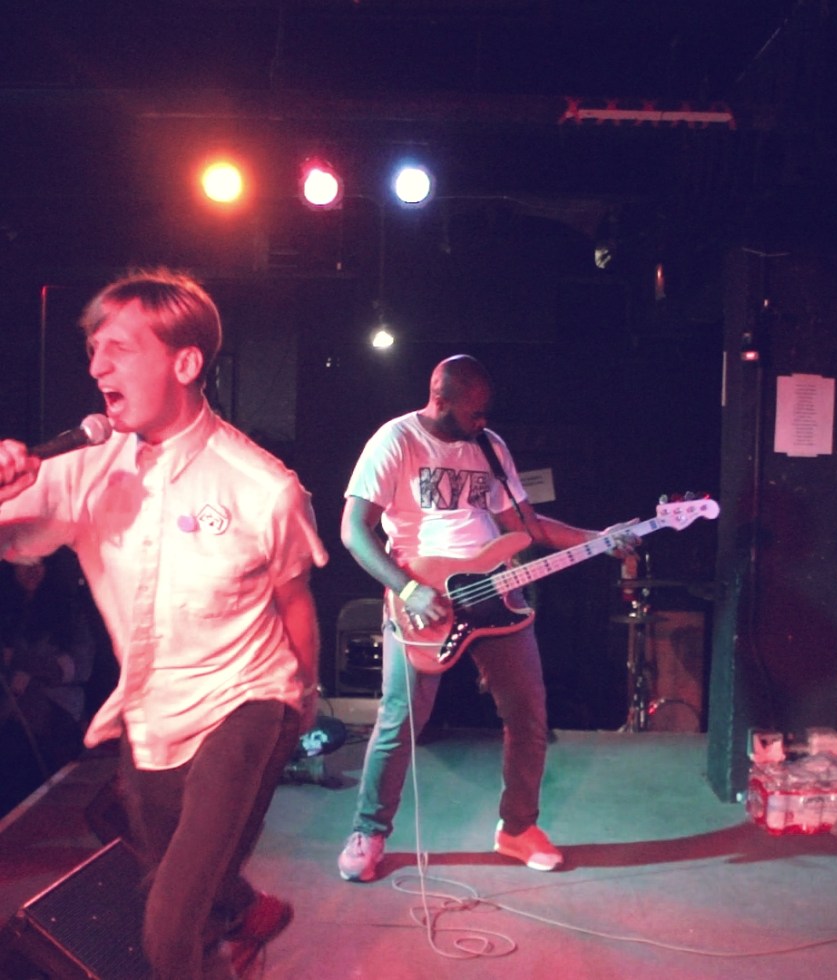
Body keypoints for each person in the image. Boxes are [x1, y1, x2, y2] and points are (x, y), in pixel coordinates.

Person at [0, 268, 328, 979]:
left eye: (118, 349)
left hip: (250, 698)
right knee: (148, 845)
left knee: (168, 923)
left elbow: (295, 598)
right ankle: (245, 909)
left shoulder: (262, 486)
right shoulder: (85, 467)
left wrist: (300, 702)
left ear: (185, 363)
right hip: (152, 710)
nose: (97, 368)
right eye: (93, 351)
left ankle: (212, 922)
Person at [337, 354, 636, 882]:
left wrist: (598, 538)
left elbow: (526, 525)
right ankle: (369, 832)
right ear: (441, 398)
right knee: (399, 721)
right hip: (424, 597)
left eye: (485, 411)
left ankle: (518, 829)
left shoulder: (490, 446)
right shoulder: (396, 440)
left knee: (528, 716)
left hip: (497, 595)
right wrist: (408, 589)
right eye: (473, 411)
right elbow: (354, 531)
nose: (482, 420)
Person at [0, 548, 95, 816]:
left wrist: (17, 659)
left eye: (40, 564)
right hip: (11, 717)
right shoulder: (7, 613)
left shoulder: (68, 613)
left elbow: (74, 667)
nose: (32, 571)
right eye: (24, 564)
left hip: (55, 716)